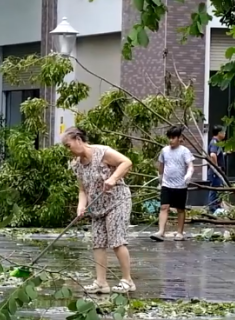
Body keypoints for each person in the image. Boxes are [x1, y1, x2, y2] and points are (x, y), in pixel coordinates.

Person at [63, 127, 137, 294]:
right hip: (97, 207)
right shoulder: (77, 165)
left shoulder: (102, 152)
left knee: (117, 240)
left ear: (78, 139)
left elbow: (126, 162)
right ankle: (101, 283)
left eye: (68, 145)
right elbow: (82, 190)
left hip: (117, 201)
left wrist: (113, 178)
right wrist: (81, 206)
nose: (69, 150)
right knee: (98, 243)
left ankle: (127, 280)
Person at [152, 125, 193, 242]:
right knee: (164, 207)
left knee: (180, 209)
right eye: (169, 138)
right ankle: (161, 231)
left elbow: (190, 165)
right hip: (166, 184)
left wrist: (188, 174)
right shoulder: (164, 151)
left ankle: (179, 233)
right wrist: (160, 177)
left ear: (179, 138)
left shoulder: (185, 151)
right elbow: (161, 165)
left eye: (173, 138)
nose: (171, 140)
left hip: (180, 184)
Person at [207, 125, 228, 215]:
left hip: (217, 171)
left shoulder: (217, 143)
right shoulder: (214, 142)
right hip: (215, 172)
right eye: (223, 132)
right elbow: (212, 155)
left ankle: (217, 207)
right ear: (219, 133)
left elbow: (217, 154)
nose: (225, 134)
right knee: (214, 190)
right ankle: (213, 209)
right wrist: (216, 167)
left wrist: (226, 153)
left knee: (218, 190)